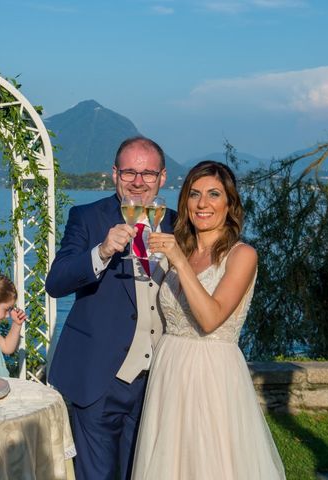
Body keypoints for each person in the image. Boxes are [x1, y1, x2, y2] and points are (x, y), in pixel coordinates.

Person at [132, 161, 285, 479]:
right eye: (194, 194)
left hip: (212, 376)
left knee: (209, 463)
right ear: (185, 201)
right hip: (169, 370)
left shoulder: (242, 255)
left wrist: (176, 259)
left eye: (214, 194)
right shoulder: (180, 252)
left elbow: (210, 318)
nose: (202, 203)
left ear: (229, 205)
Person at [46, 136, 177, 480]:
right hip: (99, 378)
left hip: (160, 379)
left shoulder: (178, 224)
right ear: (114, 174)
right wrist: (101, 252)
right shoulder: (87, 217)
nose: (138, 182)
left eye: (148, 173)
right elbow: (56, 282)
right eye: (129, 172)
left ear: (162, 177)